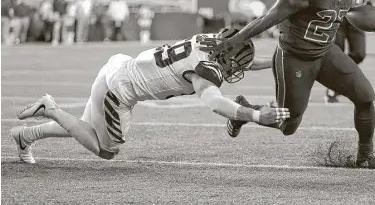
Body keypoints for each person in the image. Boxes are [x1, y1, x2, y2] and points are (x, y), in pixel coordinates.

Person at [199, 0, 375, 170]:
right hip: (295, 58)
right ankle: (246, 110)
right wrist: (233, 41)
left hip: (326, 52)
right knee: (288, 125)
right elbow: (268, 18)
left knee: (365, 97)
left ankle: (364, 157)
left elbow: (345, 9)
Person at [11, 27, 289, 164]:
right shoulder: (204, 71)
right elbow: (214, 102)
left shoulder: (210, 42)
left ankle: (25, 137)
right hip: (119, 92)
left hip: (118, 66)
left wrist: (279, 61)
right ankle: (50, 108)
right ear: (226, 57)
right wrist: (254, 115)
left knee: (85, 126)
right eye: (237, 65)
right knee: (107, 150)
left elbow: (241, 60)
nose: (239, 70)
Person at [325, 0, 375, 103]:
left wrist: (370, 4)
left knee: (359, 53)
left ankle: (339, 78)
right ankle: (333, 87)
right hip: (338, 16)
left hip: (357, 16)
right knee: (337, 53)